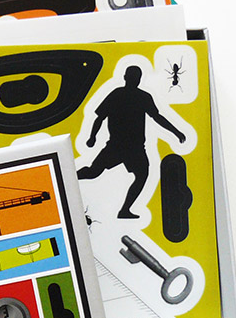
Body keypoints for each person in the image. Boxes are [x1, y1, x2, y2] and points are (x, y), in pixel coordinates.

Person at [77, 65, 185, 219]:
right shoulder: (121, 94)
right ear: (129, 78)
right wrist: (92, 137)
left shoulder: (140, 96)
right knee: (94, 172)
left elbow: (157, 117)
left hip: (133, 148)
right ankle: (70, 178)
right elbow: (100, 117)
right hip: (118, 145)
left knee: (141, 175)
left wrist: (176, 132)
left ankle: (125, 210)